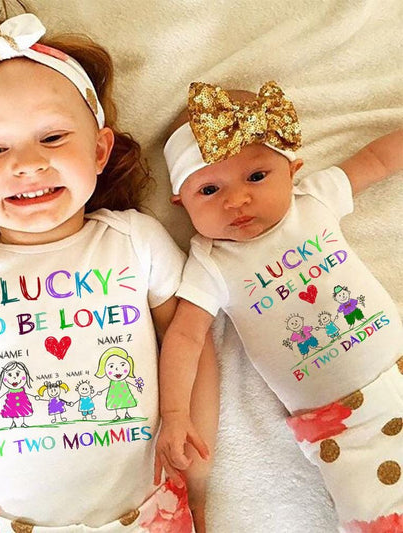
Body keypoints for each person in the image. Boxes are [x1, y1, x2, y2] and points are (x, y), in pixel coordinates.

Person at [0, 5, 218, 532]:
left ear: (99, 149)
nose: (28, 163)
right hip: (15, 520)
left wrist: (194, 452)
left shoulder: (134, 240)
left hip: (151, 508)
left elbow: (189, 337)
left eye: (53, 137)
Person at [156, 80, 403, 531]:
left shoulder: (314, 200)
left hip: (399, 367)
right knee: (378, 513)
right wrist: (174, 414)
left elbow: (377, 160)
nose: (236, 200)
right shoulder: (211, 263)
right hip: (340, 429)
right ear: (181, 203)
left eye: (256, 176)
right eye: (208, 190)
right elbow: (185, 337)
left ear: (292, 170)